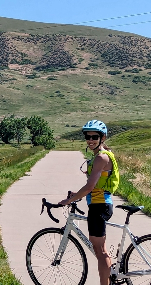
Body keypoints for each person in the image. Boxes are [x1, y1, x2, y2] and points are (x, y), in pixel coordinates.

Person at [58, 119, 119, 285]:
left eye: (94, 136)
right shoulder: (101, 155)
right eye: (87, 136)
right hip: (98, 204)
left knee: (100, 252)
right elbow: (93, 185)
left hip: (100, 206)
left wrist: (69, 199)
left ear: (102, 138)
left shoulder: (101, 158)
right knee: (100, 249)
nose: (90, 140)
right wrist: (76, 194)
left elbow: (90, 186)